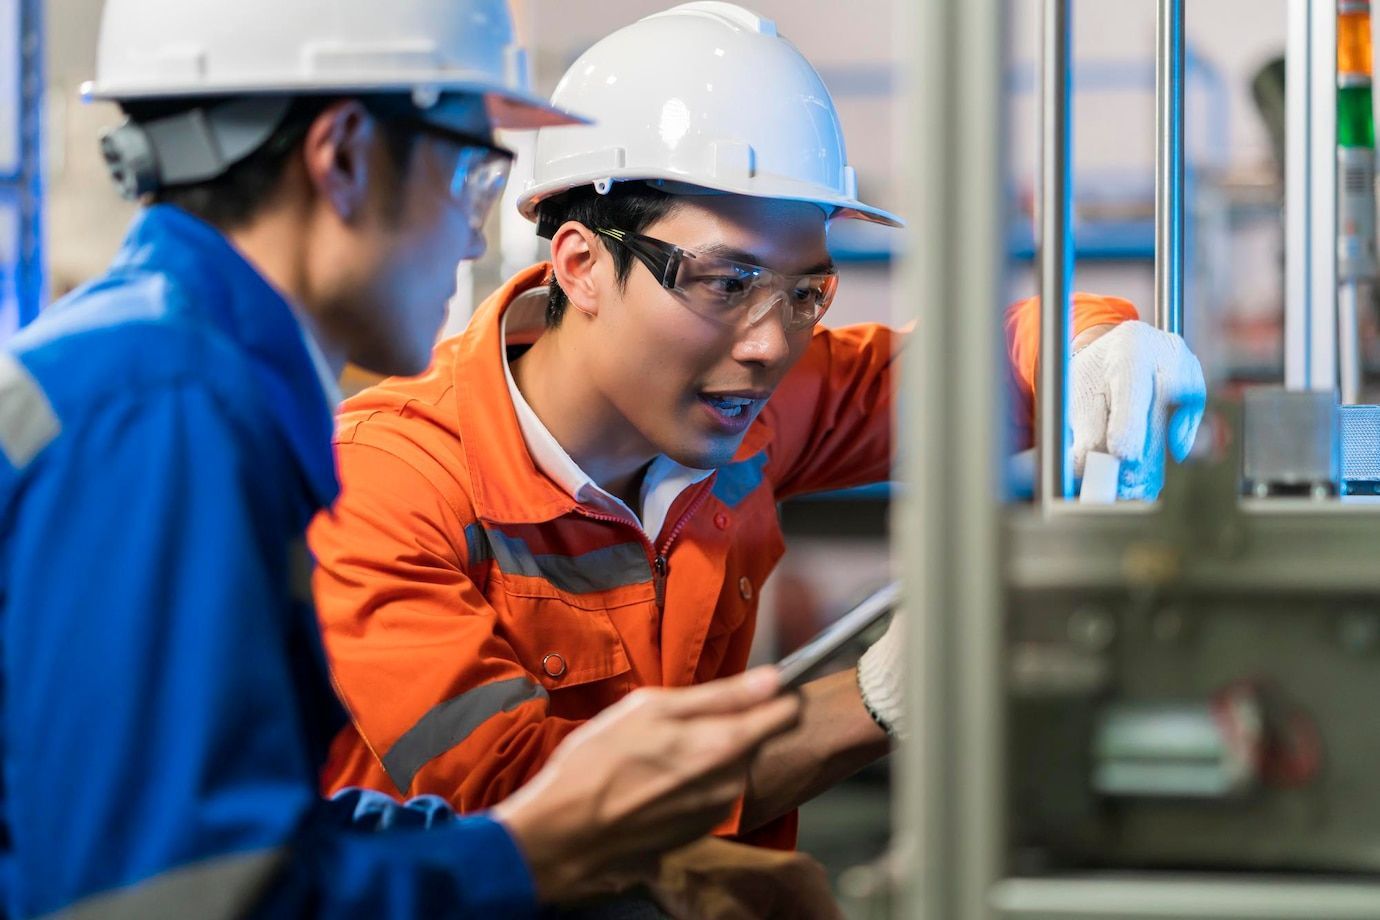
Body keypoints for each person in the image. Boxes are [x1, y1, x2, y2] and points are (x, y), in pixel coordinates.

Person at [309, 0, 1207, 856]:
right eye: (726, 282)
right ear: (580, 265)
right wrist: (878, 698)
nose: (772, 342)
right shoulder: (384, 484)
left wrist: (1096, 348)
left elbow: (993, 362)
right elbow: (516, 806)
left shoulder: (745, 407)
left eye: (805, 292)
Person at [0, 0, 809, 916]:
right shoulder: (169, 410)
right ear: (342, 156)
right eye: (470, 174)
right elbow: (170, 901)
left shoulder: (170, 370)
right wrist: (528, 857)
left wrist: (591, 850)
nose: (475, 234)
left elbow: (248, 834)